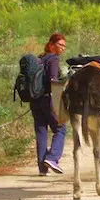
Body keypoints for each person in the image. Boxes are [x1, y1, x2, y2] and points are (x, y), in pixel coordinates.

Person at [33, 33, 68, 176]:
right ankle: (53, 158)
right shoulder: (53, 59)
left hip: (35, 101)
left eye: (64, 46)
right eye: (60, 45)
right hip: (48, 99)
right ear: (52, 44)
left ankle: (42, 168)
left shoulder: (39, 58)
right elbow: (53, 80)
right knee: (61, 128)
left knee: (41, 132)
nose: (62, 49)